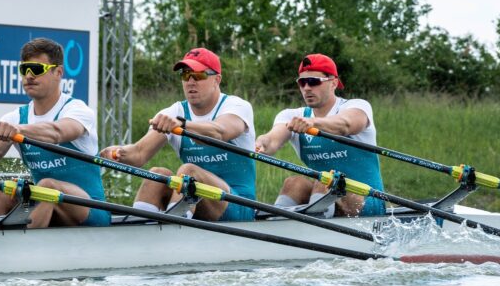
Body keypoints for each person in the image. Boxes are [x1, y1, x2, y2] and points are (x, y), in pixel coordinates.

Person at [0, 37, 110, 228]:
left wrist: (19, 130)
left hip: (90, 210)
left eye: (37, 69)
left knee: (47, 186)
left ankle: (26, 242)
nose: (29, 76)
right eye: (24, 69)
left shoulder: (77, 110)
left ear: (58, 72)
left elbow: (57, 132)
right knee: (1, 190)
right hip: (47, 205)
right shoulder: (16, 117)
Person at [99, 48, 256, 221]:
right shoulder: (174, 111)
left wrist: (183, 125)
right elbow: (139, 153)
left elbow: (219, 132)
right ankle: (139, 229)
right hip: (197, 201)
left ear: (216, 80)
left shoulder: (237, 106)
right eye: (185, 75)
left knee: (188, 171)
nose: (191, 82)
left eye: (198, 75)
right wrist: (118, 153)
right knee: (156, 175)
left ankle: (175, 226)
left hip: (238, 206)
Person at [254, 53, 385, 217]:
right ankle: (277, 224)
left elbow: (345, 124)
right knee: (294, 183)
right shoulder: (291, 115)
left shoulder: (358, 106)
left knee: (325, 181)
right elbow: (272, 140)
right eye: (302, 82)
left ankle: (315, 224)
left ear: (333, 83)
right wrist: (262, 143)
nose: (307, 88)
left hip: (368, 201)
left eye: (314, 81)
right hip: (325, 196)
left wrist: (314, 123)